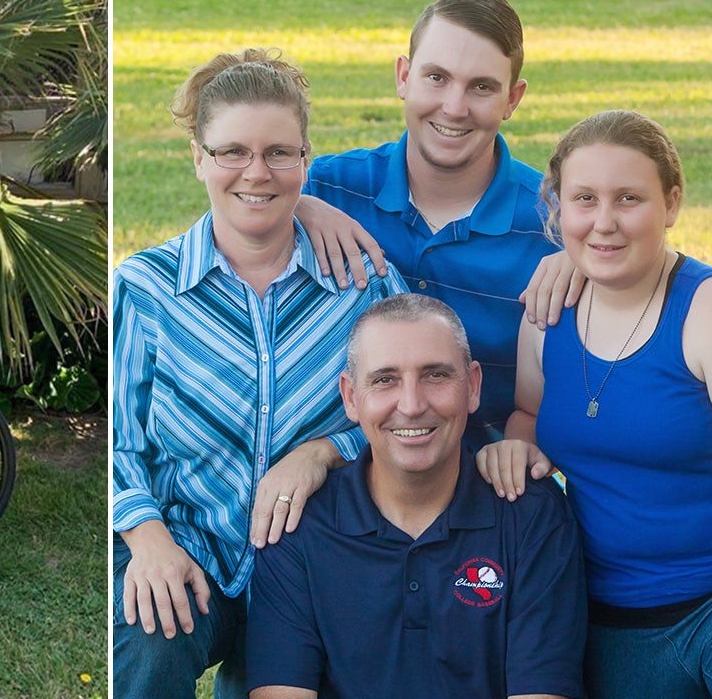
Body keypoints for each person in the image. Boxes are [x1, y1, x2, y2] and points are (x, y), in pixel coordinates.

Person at [111, 49, 405, 699]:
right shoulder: (147, 288)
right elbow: (117, 440)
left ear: (306, 159)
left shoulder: (362, 282)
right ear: (198, 158)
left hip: (318, 566)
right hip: (187, 546)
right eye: (231, 152)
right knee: (144, 646)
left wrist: (325, 451)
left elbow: (415, 411)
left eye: (279, 153)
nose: (256, 172)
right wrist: (148, 539)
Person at [476, 109, 712, 698]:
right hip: (601, 611)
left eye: (629, 198)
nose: (604, 223)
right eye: (584, 199)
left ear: (672, 204)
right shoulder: (546, 315)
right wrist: (518, 445)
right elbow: (529, 412)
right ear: (557, 208)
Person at [247, 293, 586, 699]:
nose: (411, 405)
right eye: (385, 379)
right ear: (351, 397)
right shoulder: (299, 525)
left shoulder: (531, 514)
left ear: (473, 386)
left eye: (436, 375)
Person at [295, 0, 579, 452]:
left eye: (482, 87)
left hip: (491, 487)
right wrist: (293, 205)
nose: (454, 106)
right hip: (340, 480)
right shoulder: (329, 189)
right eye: (436, 78)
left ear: (513, 99)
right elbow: (231, 223)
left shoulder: (555, 224)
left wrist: (588, 261)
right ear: (404, 76)